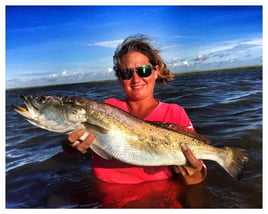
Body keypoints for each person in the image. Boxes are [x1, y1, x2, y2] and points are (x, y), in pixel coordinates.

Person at [62, 34, 207, 185]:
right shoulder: (105, 109)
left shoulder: (175, 113)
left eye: (143, 70)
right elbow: (73, 148)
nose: (136, 79)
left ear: (155, 71)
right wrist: (71, 147)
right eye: (126, 73)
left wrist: (193, 174)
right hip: (107, 198)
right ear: (119, 77)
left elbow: (197, 176)